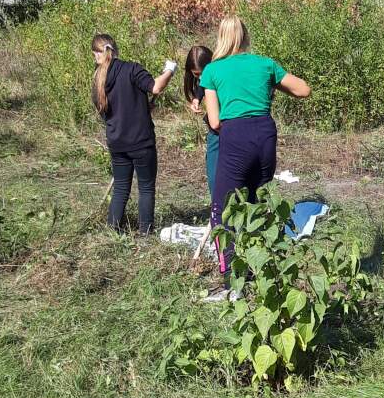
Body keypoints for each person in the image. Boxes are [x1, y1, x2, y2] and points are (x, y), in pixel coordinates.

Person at [199, 16, 310, 278]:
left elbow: (214, 121)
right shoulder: (265, 64)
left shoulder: (212, 71)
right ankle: (261, 268)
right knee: (257, 200)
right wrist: (271, 87)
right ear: (246, 37)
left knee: (222, 207)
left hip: (234, 134)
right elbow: (304, 90)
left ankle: (232, 274)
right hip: (264, 133)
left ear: (221, 38)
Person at [92, 33, 176, 234]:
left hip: (117, 142)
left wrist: (142, 107)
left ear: (97, 55)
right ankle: (145, 233)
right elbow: (156, 86)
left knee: (121, 187)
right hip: (141, 142)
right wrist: (169, 70)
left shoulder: (98, 79)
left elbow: (107, 110)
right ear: (115, 49)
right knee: (146, 188)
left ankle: (112, 231)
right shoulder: (132, 69)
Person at [184, 43, 219, 198]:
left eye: (203, 73)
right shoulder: (204, 79)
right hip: (215, 132)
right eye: (197, 75)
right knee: (214, 177)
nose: (201, 78)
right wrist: (197, 98)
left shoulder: (222, 72)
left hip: (230, 128)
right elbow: (202, 86)